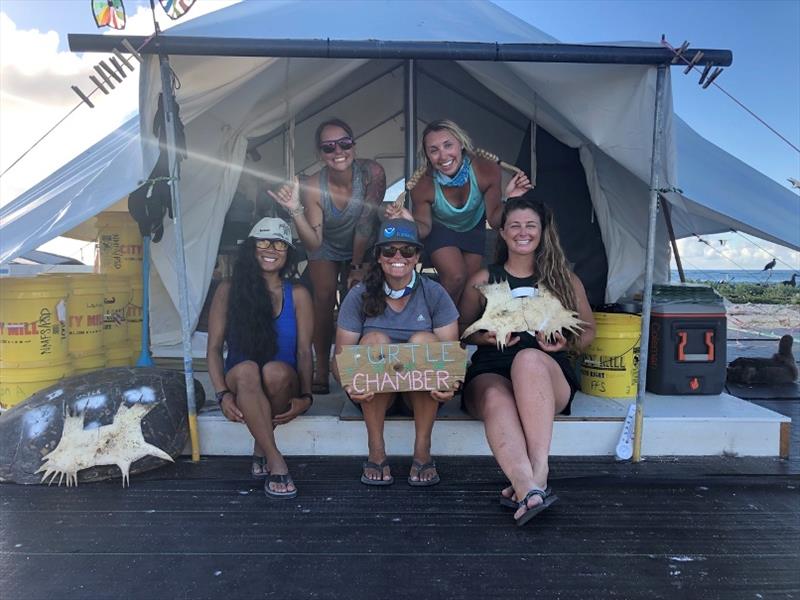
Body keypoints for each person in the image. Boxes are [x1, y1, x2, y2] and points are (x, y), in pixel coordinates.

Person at [458, 194, 596, 526]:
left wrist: (567, 341)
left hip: (547, 374)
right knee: (494, 395)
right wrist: (482, 337)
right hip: (491, 370)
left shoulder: (563, 279)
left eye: (530, 225)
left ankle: (539, 471)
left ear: (542, 231)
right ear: (502, 233)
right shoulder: (482, 279)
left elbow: (589, 331)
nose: (523, 232)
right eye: (515, 226)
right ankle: (529, 489)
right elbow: (459, 330)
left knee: (528, 361)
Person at [333, 218, 460, 487]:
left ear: (417, 258)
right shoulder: (359, 295)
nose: (398, 257)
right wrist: (348, 384)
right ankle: (376, 450)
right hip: (376, 395)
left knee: (423, 340)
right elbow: (341, 358)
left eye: (407, 251)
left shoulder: (434, 292)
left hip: (423, 395)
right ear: (378, 257)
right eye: (389, 251)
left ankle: (423, 450)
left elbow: (451, 356)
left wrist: (452, 385)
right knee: (376, 340)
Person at [269, 118, 386, 395]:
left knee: (357, 295)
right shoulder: (312, 184)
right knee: (322, 298)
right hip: (328, 243)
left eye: (344, 144)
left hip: (364, 240)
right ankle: (322, 365)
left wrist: (356, 267)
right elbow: (314, 240)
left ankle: (353, 363)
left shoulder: (372, 173)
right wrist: (296, 210)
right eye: (329, 147)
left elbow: (365, 225)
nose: (338, 152)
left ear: (354, 146)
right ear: (321, 154)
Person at [207, 217, 314, 499]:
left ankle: (260, 446)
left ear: (288, 252)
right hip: (240, 380)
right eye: (264, 242)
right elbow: (214, 349)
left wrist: (306, 397)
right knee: (248, 370)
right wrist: (221, 395)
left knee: (273, 371)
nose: (272, 249)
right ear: (252, 248)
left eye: (280, 244)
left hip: (282, 380)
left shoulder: (299, 294)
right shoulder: (228, 290)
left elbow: (304, 352)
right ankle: (275, 458)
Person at [385, 119, 531, 305]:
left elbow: (495, 220)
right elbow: (424, 229)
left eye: (448, 145)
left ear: (461, 144)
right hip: (440, 229)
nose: (443, 155)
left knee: (470, 286)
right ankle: (437, 322)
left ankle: (461, 330)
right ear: (427, 156)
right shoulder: (423, 184)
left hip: (473, 227)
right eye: (434, 150)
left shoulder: (486, 169)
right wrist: (407, 221)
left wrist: (510, 199)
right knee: (455, 277)